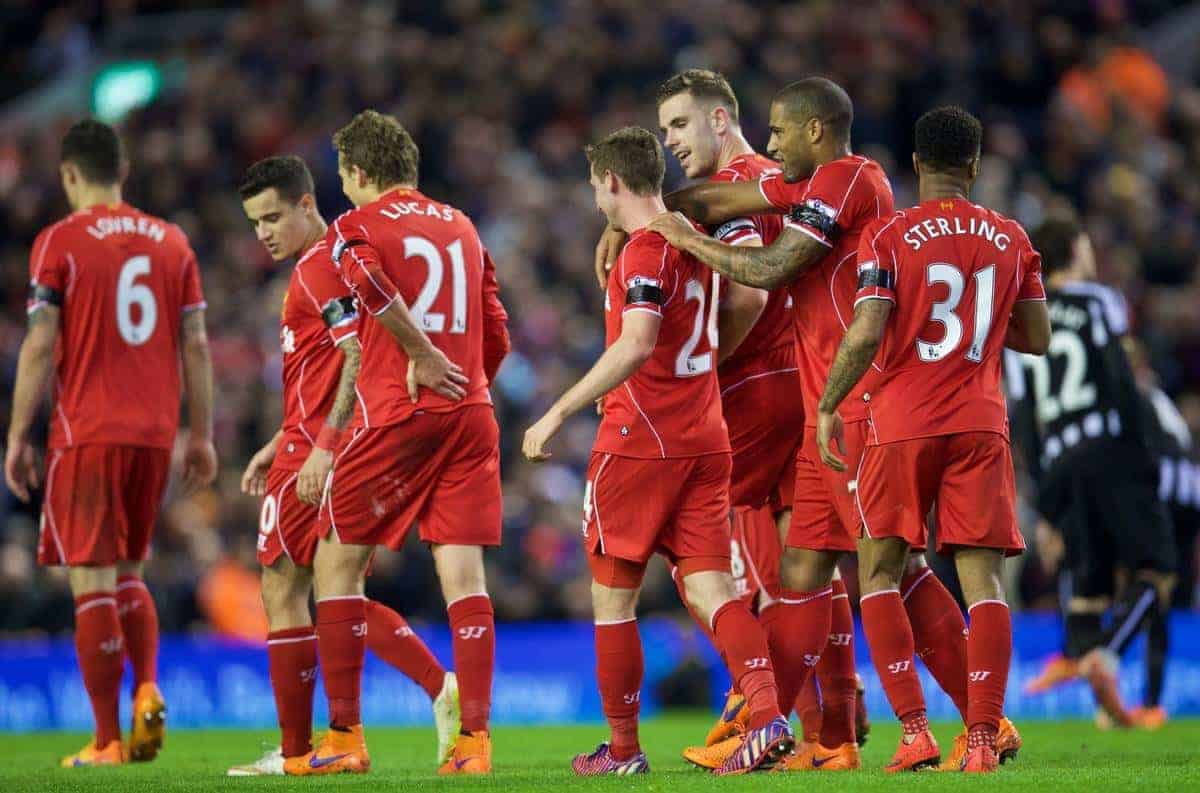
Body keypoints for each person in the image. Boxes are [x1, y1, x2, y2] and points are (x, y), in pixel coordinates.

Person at [644, 77, 1007, 770]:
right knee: (805, 567)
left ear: (815, 132)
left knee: (891, 568)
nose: (772, 142)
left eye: (780, 131)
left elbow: (774, 268)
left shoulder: (850, 178)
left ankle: (970, 717)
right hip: (825, 405)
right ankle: (787, 726)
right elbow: (721, 197)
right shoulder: (811, 184)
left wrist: (684, 241)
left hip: (863, 401)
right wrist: (638, 214)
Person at [523, 126, 795, 776]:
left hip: (639, 441)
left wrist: (558, 409)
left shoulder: (646, 252)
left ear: (611, 182)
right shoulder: (690, 239)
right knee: (710, 588)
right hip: (706, 437)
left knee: (614, 599)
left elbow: (639, 340)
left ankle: (622, 751)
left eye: (595, 184)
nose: (594, 196)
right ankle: (767, 716)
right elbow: (740, 301)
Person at [814, 105, 1050, 773]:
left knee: (881, 573)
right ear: (975, 166)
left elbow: (865, 329)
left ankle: (915, 730)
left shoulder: (890, 236)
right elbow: (1037, 337)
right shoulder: (1011, 237)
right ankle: (980, 740)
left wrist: (829, 403)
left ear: (916, 164)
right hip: (980, 421)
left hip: (901, 423)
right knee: (986, 586)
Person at [291, 110, 510, 776]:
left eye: (345, 179)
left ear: (357, 173)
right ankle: (473, 743)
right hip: (471, 411)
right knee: (465, 578)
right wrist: (466, 382)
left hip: (398, 414)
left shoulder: (355, 228)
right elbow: (496, 327)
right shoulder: (465, 227)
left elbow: (367, 285)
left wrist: (420, 354)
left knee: (335, 566)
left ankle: (345, 737)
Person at [225, 156, 460, 775]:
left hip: (322, 447)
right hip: (318, 439)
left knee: (283, 587)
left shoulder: (319, 268)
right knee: (335, 587)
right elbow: (329, 369)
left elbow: (354, 354)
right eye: (254, 223)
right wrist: (281, 436)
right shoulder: (337, 258)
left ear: (308, 204)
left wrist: (321, 444)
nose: (264, 233)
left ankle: (301, 752)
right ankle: (434, 688)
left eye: (273, 216)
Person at [4, 119, 217, 766]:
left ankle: (106, 739)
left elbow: (42, 343)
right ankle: (148, 684)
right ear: (122, 173)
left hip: (88, 430)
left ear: (71, 174)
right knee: (132, 570)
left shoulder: (59, 241)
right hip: (155, 434)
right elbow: (198, 344)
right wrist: (200, 433)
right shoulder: (173, 242)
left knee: (91, 580)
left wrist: (17, 435)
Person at [650, 68, 821, 770]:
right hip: (798, 383)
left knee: (681, 544)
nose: (671, 142)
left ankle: (761, 707)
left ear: (720, 119)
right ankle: (825, 723)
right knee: (801, 565)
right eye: (663, 132)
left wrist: (698, 370)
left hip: (753, 391)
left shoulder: (742, 186)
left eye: (680, 125)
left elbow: (748, 294)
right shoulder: (760, 181)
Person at [1011, 217, 1177, 727]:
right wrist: (1146, 452)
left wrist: (1043, 503)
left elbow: (1022, 418)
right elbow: (1121, 380)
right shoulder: (1097, 300)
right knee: (1159, 570)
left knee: (1092, 583)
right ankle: (1102, 657)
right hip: (1108, 447)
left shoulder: (1019, 323)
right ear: (1076, 251)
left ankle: (1081, 662)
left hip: (1059, 463)